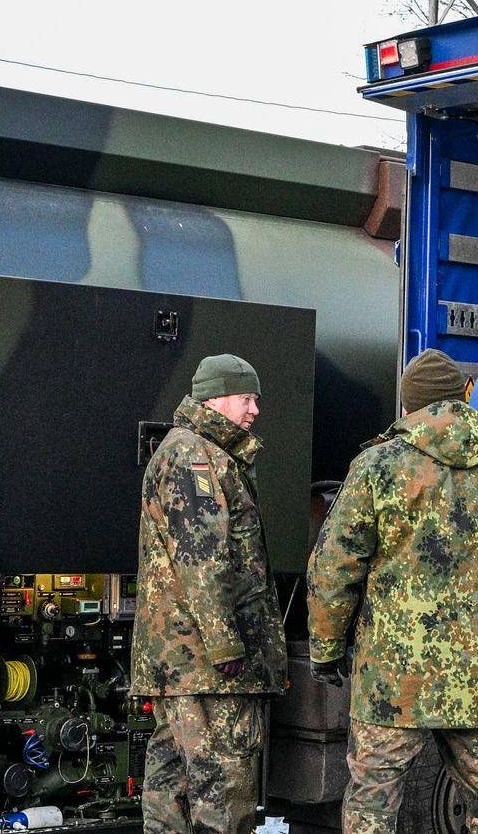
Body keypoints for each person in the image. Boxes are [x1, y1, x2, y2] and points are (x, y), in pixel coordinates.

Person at [308, 348, 478, 834]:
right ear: (465, 399)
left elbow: (334, 568)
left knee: (371, 809)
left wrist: (327, 648)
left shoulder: (378, 466)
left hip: (392, 684)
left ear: (408, 407)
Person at [129, 353, 287, 834]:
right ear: (215, 398)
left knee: (173, 783)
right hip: (206, 665)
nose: (254, 409)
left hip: (185, 663)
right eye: (246, 398)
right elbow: (202, 557)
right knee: (223, 784)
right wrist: (225, 644)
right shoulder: (196, 458)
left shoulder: (196, 452)